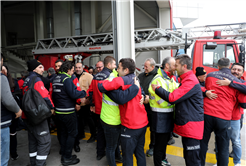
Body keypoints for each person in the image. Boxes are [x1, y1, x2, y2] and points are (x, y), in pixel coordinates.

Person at [151, 54, 204, 166]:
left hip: (191, 127)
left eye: (176, 65)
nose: (175, 67)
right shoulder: (185, 79)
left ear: (184, 66)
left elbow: (173, 97)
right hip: (188, 125)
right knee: (189, 156)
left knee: (193, 159)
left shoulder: (189, 81)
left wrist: (158, 89)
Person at [98, 58, 148, 166]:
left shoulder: (120, 80)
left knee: (127, 156)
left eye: (119, 67)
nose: (117, 69)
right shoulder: (136, 79)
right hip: (143, 123)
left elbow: (101, 86)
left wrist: (104, 86)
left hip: (130, 126)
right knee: (140, 153)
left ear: (125, 70)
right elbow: (141, 93)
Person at [200, 58, 246, 166]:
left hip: (207, 114)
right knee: (223, 148)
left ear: (218, 66)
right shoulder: (237, 82)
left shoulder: (210, 76)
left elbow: (201, 87)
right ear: (229, 66)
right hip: (224, 117)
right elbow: (243, 102)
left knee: (202, 143)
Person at [52, 61, 87, 165]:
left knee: (63, 133)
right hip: (68, 112)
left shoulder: (56, 78)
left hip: (59, 112)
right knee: (72, 133)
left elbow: (54, 95)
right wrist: (84, 93)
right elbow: (73, 94)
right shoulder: (66, 79)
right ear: (68, 70)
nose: (73, 72)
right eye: (72, 70)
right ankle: (67, 157)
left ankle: (64, 154)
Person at [22, 59, 55, 166]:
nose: (43, 69)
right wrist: (52, 108)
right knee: (45, 142)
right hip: (38, 116)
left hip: (28, 115)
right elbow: (45, 96)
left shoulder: (27, 79)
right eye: (40, 67)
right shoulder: (37, 80)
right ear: (34, 69)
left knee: (33, 141)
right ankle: (39, 164)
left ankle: (33, 163)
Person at [149, 57, 179, 166]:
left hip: (167, 115)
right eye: (174, 65)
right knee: (159, 145)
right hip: (160, 116)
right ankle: (158, 163)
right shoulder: (158, 79)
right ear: (167, 66)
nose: (176, 67)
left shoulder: (170, 78)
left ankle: (163, 160)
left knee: (164, 143)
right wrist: (173, 100)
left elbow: (177, 91)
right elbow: (161, 101)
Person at [215, 62, 245, 166]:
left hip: (234, 118)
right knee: (219, 140)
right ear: (229, 69)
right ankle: (219, 161)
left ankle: (237, 162)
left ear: (242, 72)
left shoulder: (242, 82)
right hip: (221, 116)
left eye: (239, 70)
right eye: (234, 69)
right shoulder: (222, 80)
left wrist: (231, 84)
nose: (236, 71)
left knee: (235, 141)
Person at [87, 56, 116, 160]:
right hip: (108, 111)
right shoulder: (110, 76)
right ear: (109, 65)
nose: (115, 66)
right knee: (109, 134)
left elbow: (90, 92)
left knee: (99, 132)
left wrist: (92, 104)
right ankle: (111, 155)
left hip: (98, 109)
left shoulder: (95, 76)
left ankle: (99, 153)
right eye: (114, 64)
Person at [0, 53, 22, 166]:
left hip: (6, 119)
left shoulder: (13, 81)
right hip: (2, 121)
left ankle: (13, 154)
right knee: (2, 159)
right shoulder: (1, 78)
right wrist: (18, 110)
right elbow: (8, 100)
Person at [138, 58, 158, 157]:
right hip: (141, 107)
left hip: (153, 108)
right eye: (144, 66)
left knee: (153, 130)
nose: (144, 68)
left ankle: (152, 147)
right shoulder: (141, 76)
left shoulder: (157, 77)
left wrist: (149, 99)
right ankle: (139, 146)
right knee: (141, 128)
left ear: (152, 67)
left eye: (146, 66)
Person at [74, 62, 96, 145]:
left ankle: (93, 135)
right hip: (77, 103)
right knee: (80, 120)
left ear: (83, 68)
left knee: (90, 120)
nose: (78, 69)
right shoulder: (73, 76)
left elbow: (92, 88)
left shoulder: (89, 76)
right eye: (76, 67)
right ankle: (81, 134)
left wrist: (88, 100)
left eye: (79, 67)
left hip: (86, 102)